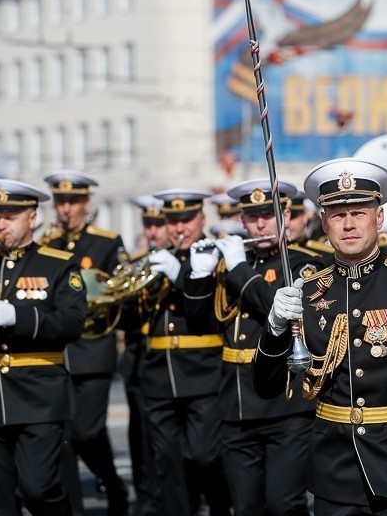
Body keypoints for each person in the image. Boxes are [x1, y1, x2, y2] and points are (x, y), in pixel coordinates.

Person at [254, 158, 387, 515]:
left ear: (379, 217)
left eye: (359, 212)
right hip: (334, 469)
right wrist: (276, 327)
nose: (349, 224)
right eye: (338, 215)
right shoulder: (308, 292)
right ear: (324, 223)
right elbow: (265, 386)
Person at [184, 178, 326, 515]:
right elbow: (200, 325)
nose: (260, 224)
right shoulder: (233, 262)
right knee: (245, 506)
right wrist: (199, 276)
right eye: (251, 217)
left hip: (285, 403)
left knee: (283, 503)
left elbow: (279, 307)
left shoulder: (303, 262)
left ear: (285, 215)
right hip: (237, 403)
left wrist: (239, 270)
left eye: (268, 214)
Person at [0, 178, 86, 516]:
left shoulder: (58, 264)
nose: (0, 224)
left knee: (38, 490)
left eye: (10, 215)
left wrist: (18, 317)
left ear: (33, 217)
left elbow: (72, 323)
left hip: (39, 396)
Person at [41, 170, 128, 515]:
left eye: (72, 202)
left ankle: (113, 482)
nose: (65, 209)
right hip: (59, 352)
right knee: (63, 436)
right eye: (60, 202)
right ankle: (74, 506)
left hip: (93, 350)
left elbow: (118, 292)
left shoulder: (106, 243)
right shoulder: (47, 245)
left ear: (86, 202)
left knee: (87, 432)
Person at [141, 189, 230, 516]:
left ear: (202, 219)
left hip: (203, 372)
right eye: (173, 221)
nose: (179, 228)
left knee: (206, 455)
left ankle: (223, 508)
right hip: (159, 375)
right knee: (168, 463)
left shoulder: (216, 254)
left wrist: (179, 276)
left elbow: (215, 306)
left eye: (186, 220)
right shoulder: (156, 257)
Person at [118, 195, 169, 516]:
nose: (152, 232)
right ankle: (146, 501)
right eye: (148, 225)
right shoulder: (136, 262)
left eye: (158, 225)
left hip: (171, 361)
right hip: (139, 358)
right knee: (140, 436)